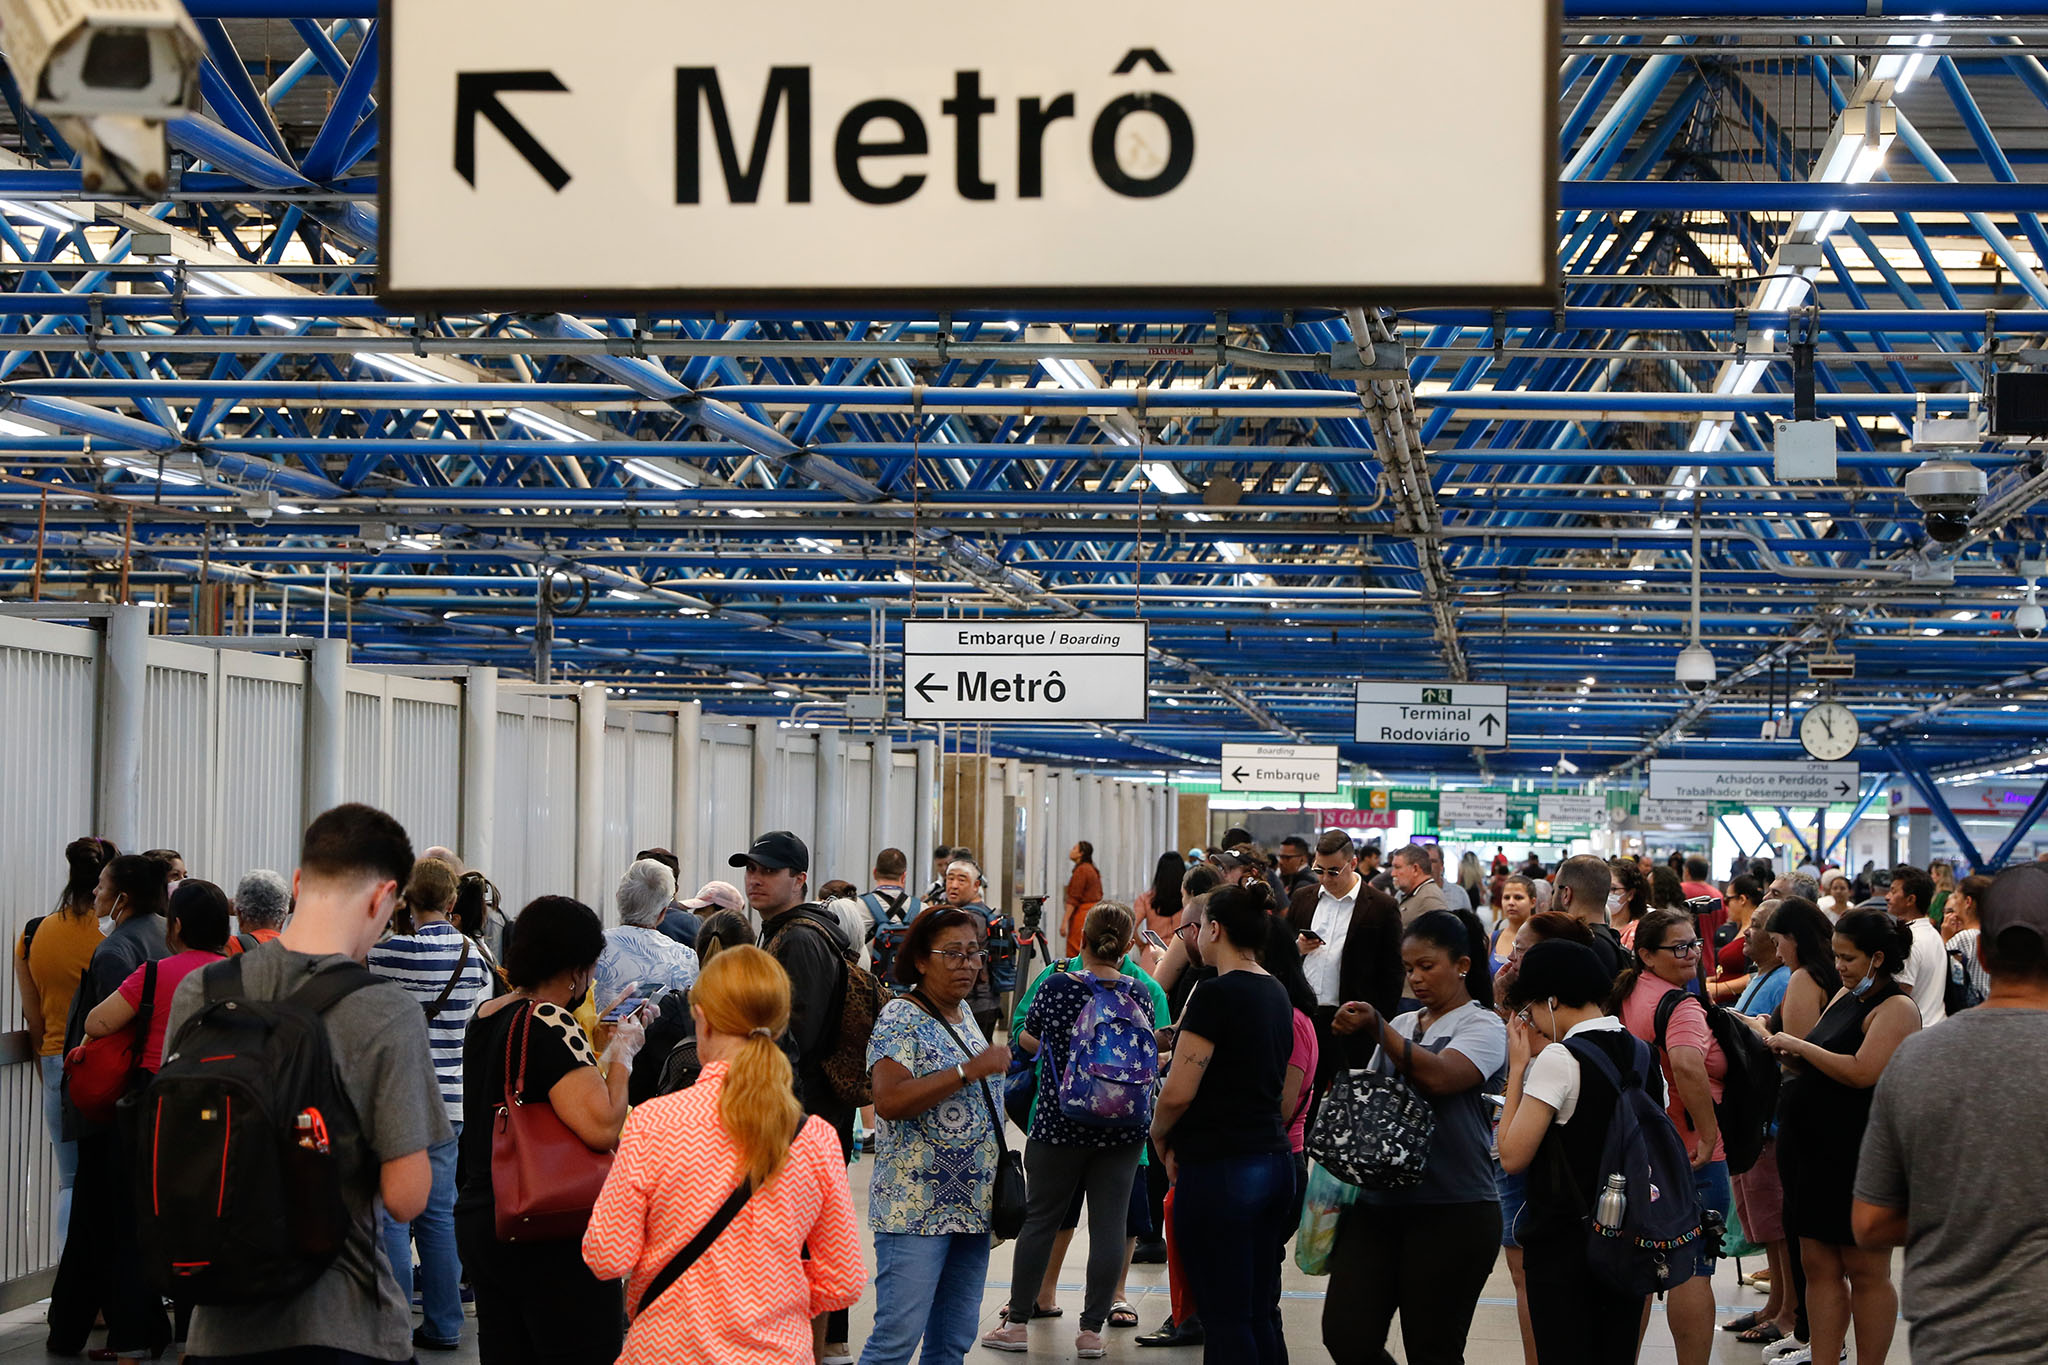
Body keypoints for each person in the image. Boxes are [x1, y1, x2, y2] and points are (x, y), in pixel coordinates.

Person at [159, 805, 447, 1364]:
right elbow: (407, 1196)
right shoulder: (385, 1010)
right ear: (382, 898)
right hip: (346, 1324)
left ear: (297, 884)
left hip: (218, 1326)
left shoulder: (202, 989)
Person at [583, 944, 861, 1364]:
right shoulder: (814, 1137)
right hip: (776, 1352)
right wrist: (774, 1294)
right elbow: (843, 1281)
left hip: (665, 1350)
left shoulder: (654, 1123)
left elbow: (607, 1256)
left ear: (703, 1021)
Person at [1852, 863, 2048, 1365]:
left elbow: (1870, 1224)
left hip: (1957, 1339)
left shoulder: (1916, 1058)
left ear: (1979, 951)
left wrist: (1966, 1211)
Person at [458, 894, 640, 1365]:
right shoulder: (549, 1018)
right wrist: (622, 1056)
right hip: (546, 1228)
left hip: (487, 1216)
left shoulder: (489, 1015)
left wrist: (592, 1043)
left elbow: (545, 1086)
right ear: (575, 967)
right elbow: (601, 1126)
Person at [1324, 910, 1504, 1365]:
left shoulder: (1483, 1026)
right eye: (1409, 969)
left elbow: (1442, 1078)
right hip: (1379, 1205)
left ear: (1462, 964)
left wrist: (1376, 1027)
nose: (1416, 978)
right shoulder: (1404, 1026)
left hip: (1454, 1209)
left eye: (1428, 966)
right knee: (1346, 1333)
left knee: (1433, 1348)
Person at [984, 903, 1155, 1359]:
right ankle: (1091, 1333)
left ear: (1082, 938)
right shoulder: (1140, 993)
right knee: (1109, 1226)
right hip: (1123, 1125)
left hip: (1059, 1119)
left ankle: (1018, 1323)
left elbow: (1028, 1037)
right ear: (1125, 947)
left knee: (1041, 1220)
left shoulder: (1057, 984)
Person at [1148, 886, 1296, 1365]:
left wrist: (1158, 1132)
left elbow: (1178, 1090)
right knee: (1258, 1309)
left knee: (1224, 1314)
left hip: (1222, 1167)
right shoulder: (1276, 990)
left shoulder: (1215, 993)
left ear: (1215, 929)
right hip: (1274, 1161)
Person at [1496, 940, 1661, 1365]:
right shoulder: (1643, 1054)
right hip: (1628, 1234)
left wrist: (1517, 1070)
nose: (1531, 1022)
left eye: (1530, 1010)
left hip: (1566, 1244)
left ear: (1551, 999)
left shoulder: (1559, 1057)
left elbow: (1512, 1155)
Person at [1766, 908, 1920, 1365]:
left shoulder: (1896, 1007)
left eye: (1848, 958)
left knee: (1865, 1269)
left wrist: (1798, 1045)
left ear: (1877, 957)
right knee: (1818, 1266)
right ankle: (1824, 1357)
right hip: (1813, 1149)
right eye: (1835, 955)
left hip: (1859, 1153)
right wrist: (1767, 1037)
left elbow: (1861, 1072)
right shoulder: (1845, 997)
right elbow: (1814, 1059)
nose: (1839, 966)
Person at [858, 908, 1010, 1365]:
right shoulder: (900, 1018)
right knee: (896, 1339)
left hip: (971, 1205)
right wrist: (967, 1070)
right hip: (916, 1209)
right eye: (953, 954)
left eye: (974, 953)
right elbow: (889, 1100)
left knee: (952, 1340)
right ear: (921, 961)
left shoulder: (964, 1013)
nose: (967, 964)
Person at [737, 829, 859, 1362]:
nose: (756, 879)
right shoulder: (784, 931)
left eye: (768, 871)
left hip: (804, 1109)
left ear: (799, 878)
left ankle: (819, 1346)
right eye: (751, 870)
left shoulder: (800, 938)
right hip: (808, 1108)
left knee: (807, 1239)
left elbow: (797, 1036)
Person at [44, 851, 172, 1359]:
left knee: (103, 1218)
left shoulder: (117, 949)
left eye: (101, 886)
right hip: (148, 1097)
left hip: (109, 1103)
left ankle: (117, 1329)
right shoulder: (167, 936)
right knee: (100, 1218)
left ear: (123, 895)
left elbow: (103, 1030)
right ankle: (71, 1325)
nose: (95, 893)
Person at [367, 856, 494, 1352]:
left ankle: (394, 1324)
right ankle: (445, 1324)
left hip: (398, 1096)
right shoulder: (475, 956)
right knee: (439, 1214)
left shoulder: (389, 954)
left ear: (407, 901)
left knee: (393, 1214)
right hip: (452, 1102)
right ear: (450, 903)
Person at [1610, 908, 1728, 1365]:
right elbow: (1686, 1063)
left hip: (1637, 1149)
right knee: (1693, 1270)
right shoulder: (1680, 1006)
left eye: (1694, 944)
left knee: (1640, 1268)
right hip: (1690, 1154)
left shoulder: (1629, 993)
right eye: (1678, 947)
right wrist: (1709, 1130)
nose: (1691, 954)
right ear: (1645, 955)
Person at [14, 835, 113, 1252]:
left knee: (70, 1181)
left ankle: (69, 1290)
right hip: (109, 1063)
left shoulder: (34, 934)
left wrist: (47, 1068)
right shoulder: (113, 934)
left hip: (57, 1060)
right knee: (113, 1180)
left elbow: (31, 1016)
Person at [1722, 902, 1795, 1346]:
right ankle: (1775, 1304)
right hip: (1753, 1118)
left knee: (1778, 1223)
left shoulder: (1786, 980)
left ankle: (1788, 1309)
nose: (1745, 935)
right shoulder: (1764, 976)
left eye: (1757, 928)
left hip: (1771, 1120)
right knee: (1764, 1223)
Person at [1287, 830, 1404, 1097]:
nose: (1325, 879)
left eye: (1333, 872)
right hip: (1305, 1017)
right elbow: (1281, 954)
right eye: (1320, 870)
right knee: (1301, 1098)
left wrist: (1376, 1022)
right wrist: (1297, 948)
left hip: (1352, 1022)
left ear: (1352, 864)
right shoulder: (1303, 898)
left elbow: (1393, 972)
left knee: (1353, 1103)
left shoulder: (1381, 907)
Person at [84, 876, 230, 1071]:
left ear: (177, 926)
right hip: (220, 1086)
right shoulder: (240, 974)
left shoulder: (155, 973)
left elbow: (96, 1024)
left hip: (161, 1083)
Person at [594, 858, 702, 1009]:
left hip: (600, 1032)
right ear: (663, 912)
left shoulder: (593, 947)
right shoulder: (686, 957)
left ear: (618, 898)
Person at [1886, 865, 1948, 1028]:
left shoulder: (1910, 939)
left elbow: (1902, 990)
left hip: (1916, 1029)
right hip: (1937, 1025)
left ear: (1910, 900)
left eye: (1893, 891)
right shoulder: (1933, 934)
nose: (1887, 897)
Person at [1939, 872, 1993, 1001]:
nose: (1954, 903)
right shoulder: (1992, 934)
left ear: (1967, 901)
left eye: (1957, 897)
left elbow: (1942, 973)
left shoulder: (1965, 938)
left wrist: (1946, 939)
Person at [225, 868, 291, 953]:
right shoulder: (302, 954)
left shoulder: (225, 949)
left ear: (240, 915)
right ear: (283, 918)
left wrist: (220, 906)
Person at [1134, 851, 1187, 945]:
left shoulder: (1145, 899)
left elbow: (1132, 925)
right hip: (1180, 951)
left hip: (1153, 951)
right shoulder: (1188, 899)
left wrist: (1141, 946)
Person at [1389, 844, 1448, 923]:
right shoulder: (1404, 894)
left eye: (1398, 867)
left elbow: (1444, 931)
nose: (1393, 873)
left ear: (1415, 869)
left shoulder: (1429, 897)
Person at [1062, 841, 1103, 956]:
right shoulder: (1091, 869)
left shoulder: (1081, 871)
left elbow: (1074, 898)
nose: (1071, 851)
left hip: (1082, 914)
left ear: (1081, 853)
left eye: (1075, 849)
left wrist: (1064, 921)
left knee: (1076, 947)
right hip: (1093, 912)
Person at [1492, 874, 1535, 971]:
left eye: (1518, 897)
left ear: (1533, 902)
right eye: (1506, 897)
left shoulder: (1543, 938)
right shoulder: (1492, 938)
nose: (1511, 902)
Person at [1607, 857, 1647, 949]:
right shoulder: (1598, 925)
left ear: (1631, 894)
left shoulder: (1637, 933)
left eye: (1613, 889)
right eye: (1604, 887)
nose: (1607, 894)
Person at [1926, 858, 1954, 926]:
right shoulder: (1949, 893)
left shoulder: (1942, 896)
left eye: (1933, 874)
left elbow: (1933, 920)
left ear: (1939, 875)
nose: (1931, 876)